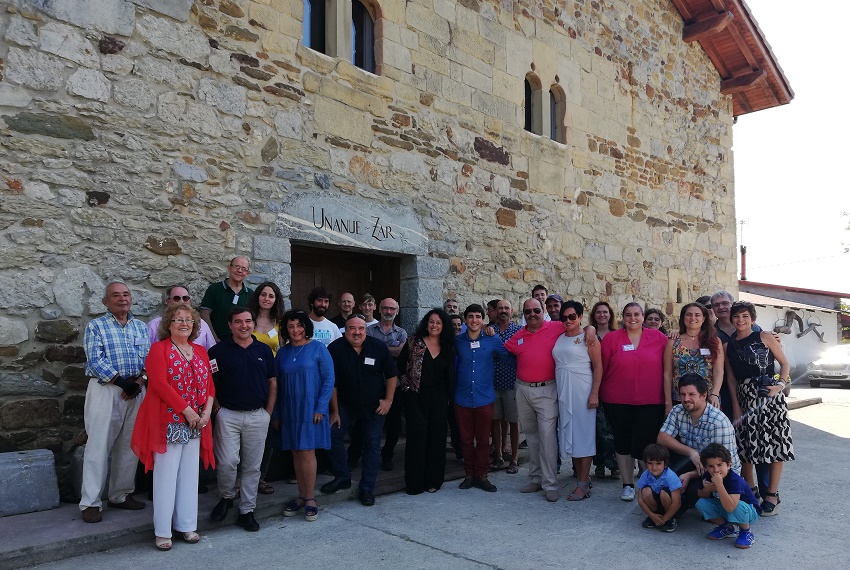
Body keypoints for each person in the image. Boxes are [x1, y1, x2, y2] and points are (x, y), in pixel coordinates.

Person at [131, 304, 215, 550]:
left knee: (190, 475)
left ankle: (187, 525)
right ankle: (163, 531)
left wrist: (206, 412)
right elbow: (158, 383)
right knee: (166, 477)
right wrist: (186, 410)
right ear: (169, 324)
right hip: (169, 421)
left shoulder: (200, 351)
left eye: (188, 320)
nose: (184, 323)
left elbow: (210, 384)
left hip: (196, 423)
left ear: (194, 325)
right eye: (178, 319)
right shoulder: (159, 349)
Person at [80, 281, 149, 524]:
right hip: (107, 390)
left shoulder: (140, 327)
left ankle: (120, 494)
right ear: (105, 302)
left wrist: (139, 382)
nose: (122, 299)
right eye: (115, 295)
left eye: (126, 294)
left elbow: (149, 360)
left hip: (136, 390)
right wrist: (122, 382)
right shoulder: (95, 326)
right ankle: (91, 502)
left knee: (130, 446)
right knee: (98, 446)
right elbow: (95, 360)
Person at [208, 308, 276, 532]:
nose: (244, 325)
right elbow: (210, 384)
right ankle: (227, 497)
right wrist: (217, 409)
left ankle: (247, 510)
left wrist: (267, 412)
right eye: (238, 322)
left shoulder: (264, 350)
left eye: (248, 321)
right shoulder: (218, 351)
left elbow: (272, 382)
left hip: (258, 415)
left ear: (253, 325)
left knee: (252, 467)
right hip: (228, 415)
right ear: (230, 325)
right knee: (227, 462)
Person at [724, 301, 793, 516]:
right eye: (737, 316)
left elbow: (785, 363)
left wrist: (779, 386)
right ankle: (751, 490)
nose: (741, 320)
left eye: (745, 316)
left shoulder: (765, 336)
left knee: (775, 444)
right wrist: (736, 405)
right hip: (745, 398)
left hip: (769, 396)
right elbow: (732, 380)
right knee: (746, 445)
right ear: (732, 319)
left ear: (752, 318)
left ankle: (772, 494)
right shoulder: (729, 346)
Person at [323, 315, 399, 506]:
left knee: (372, 444)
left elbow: (391, 375)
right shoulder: (335, 349)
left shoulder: (378, 347)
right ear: (345, 330)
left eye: (361, 329)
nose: (357, 332)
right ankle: (342, 477)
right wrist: (334, 411)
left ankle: (367, 488)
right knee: (332, 434)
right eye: (352, 328)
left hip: (373, 405)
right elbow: (332, 383)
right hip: (345, 404)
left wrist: (388, 401)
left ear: (366, 330)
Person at [599, 302, 667, 502]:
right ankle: (628, 484)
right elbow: (601, 368)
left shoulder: (658, 337)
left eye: (636, 314)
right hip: (617, 399)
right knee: (623, 442)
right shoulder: (612, 338)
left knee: (647, 443)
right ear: (623, 317)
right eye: (628, 314)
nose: (632, 318)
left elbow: (668, 363)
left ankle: (649, 483)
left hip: (651, 400)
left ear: (643, 316)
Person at [504, 298, 566, 502]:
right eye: (528, 311)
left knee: (547, 437)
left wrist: (590, 331)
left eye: (536, 311)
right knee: (530, 436)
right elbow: (505, 349)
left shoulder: (556, 328)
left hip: (547, 390)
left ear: (543, 312)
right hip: (522, 389)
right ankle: (535, 478)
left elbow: (578, 328)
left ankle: (550, 483)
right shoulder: (518, 335)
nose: (532, 314)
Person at [275, 310, 335, 522]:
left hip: (311, 408)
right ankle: (301, 496)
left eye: (299, 326)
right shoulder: (282, 353)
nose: (295, 330)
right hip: (290, 408)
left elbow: (329, 380)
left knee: (308, 451)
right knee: (296, 452)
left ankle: (310, 499)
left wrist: (321, 407)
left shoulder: (318, 348)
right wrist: (277, 413)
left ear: (306, 327)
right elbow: (277, 386)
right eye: (290, 327)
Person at [656, 374, 741, 517]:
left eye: (691, 394)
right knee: (663, 475)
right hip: (694, 461)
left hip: (719, 470)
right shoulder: (678, 411)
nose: (685, 399)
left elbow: (723, 465)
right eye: (682, 394)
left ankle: (671, 515)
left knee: (690, 490)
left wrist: (690, 475)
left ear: (704, 395)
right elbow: (662, 438)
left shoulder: (718, 422)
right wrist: (692, 452)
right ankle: (667, 506)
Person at [398, 309, 455, 494]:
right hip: (416, 397)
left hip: (439, 398)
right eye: (431, 322)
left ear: (443, 326)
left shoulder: (448, 345)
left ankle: (433, 481)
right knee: (416, 438)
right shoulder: (414, 342)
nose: (434, 325)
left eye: (438, 323)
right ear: (426, 323)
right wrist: (407, 390)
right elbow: (400, 367)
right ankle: (414, 483)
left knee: (437, 439)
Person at [454, 304, 509, 493]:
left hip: (485, 397)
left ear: (483, 319)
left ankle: (482, 475)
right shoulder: (457, 341)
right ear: (465, 319)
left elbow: (508, 358)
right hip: (462, 397)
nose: (474, 320)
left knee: (484, 439)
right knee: (466, 440)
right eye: (471, 316)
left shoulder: (492, 339)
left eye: (478, 316)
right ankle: (469, 475)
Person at [552, 300, 602, 501]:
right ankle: (582, 479)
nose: (568, 320)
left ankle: (582, 483)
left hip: (582, 390)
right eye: (564, 317)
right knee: (572, 435)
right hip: (564, 390)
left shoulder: (588, 337)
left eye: (573, 316)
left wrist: (594, 394)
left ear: (580, 317)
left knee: (584, 435)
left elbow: (598, 367)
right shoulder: (560, 336)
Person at [246, 281, 285, 495]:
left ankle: (260, 478)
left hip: (272, 382)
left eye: (271, 296)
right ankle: (240, 479)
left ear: (276, 300)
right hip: (249, 380)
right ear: (258, 297)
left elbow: (284, 350)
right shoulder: (247, 318)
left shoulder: (279, 323)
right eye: (263, 295)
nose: (267, 299)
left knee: (267, 432)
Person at [366, 298, 407, 471]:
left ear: (397, 311)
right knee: (367, 421)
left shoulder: (402, 332)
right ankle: (359, 454)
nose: (388, 311)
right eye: (385, 308)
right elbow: (365, 350)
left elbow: (403, 353)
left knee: (394, 423)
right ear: (379, 309)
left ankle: (387, 454)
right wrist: (392, 350)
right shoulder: (368, 330)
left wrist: (379, 348)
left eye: (392, 309)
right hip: (371, 384)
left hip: (395, 385)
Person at [696, 443, 761, 549]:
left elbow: (730, 507)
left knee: (737, 505)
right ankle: (727, 528)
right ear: (706, 467)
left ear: (728, 464)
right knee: (701, 503)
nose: (716, 470)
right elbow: (700, 495)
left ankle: (746, 531)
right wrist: (707, 489)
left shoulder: (734, 480)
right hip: (728, 508)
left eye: (720, 465)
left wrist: (719, 485)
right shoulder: (708, 475)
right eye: (711, 466)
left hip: (749, 512)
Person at [662, 302, 723, 414]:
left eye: (697, 315)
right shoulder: (673, 342)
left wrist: (715, 394)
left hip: (707, 399)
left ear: (704, 318)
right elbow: (668, 374)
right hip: (680, 400)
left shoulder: (714, 341)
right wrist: (668, 403)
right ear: (683, 318)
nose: (693, 318)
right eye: (689, 314)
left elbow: (719, 371)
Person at [491, 299, 521, 474]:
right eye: (500, 308)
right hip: (493, 382)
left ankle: (515, 458)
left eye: (506, 308)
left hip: (511, 383)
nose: (503, 311)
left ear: (512, 310)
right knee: (495, 421)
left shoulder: (518, 331)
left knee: (513, 421)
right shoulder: (490, 331)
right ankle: (499, 455)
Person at [589, 300, 618, 479]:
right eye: (598, 312)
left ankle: (614, 465)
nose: (602, 315)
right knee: (597, 427)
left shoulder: (617, 335)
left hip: (613, 384)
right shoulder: (588, 334)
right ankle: (599, 463)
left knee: (613, 427)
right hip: (592, 384)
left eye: (605, 312)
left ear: (610, 315)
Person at [200, 256, 253, 342]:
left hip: (241, 344)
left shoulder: (251, 294)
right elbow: (204, 314)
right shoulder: (214, 289)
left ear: (247, 273)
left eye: (243, 269)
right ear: (229, 268)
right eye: (237, 267)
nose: (239, 271)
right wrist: (213, 338)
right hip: (216, 342)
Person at [148, 285, 215, 350]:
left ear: (190, 301)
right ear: (167, 301)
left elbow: (211, 350)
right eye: (176, 298)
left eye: (185, 298)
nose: (181, 301)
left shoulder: (202, 324)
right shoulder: (154, 325)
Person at [636, 444, 681, 532]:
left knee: (664, 493)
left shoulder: (670, 476)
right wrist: (651, 515)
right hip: (655, 506)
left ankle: (670, 519)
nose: (654, 467)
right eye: (650, 463)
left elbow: (677, 503)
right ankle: (654, 516)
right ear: (645, 463)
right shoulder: (645, 475)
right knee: (645, 491)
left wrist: (663, 519)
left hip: (670, 505)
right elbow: (640, 500)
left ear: (665, 464)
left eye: (658, 463)